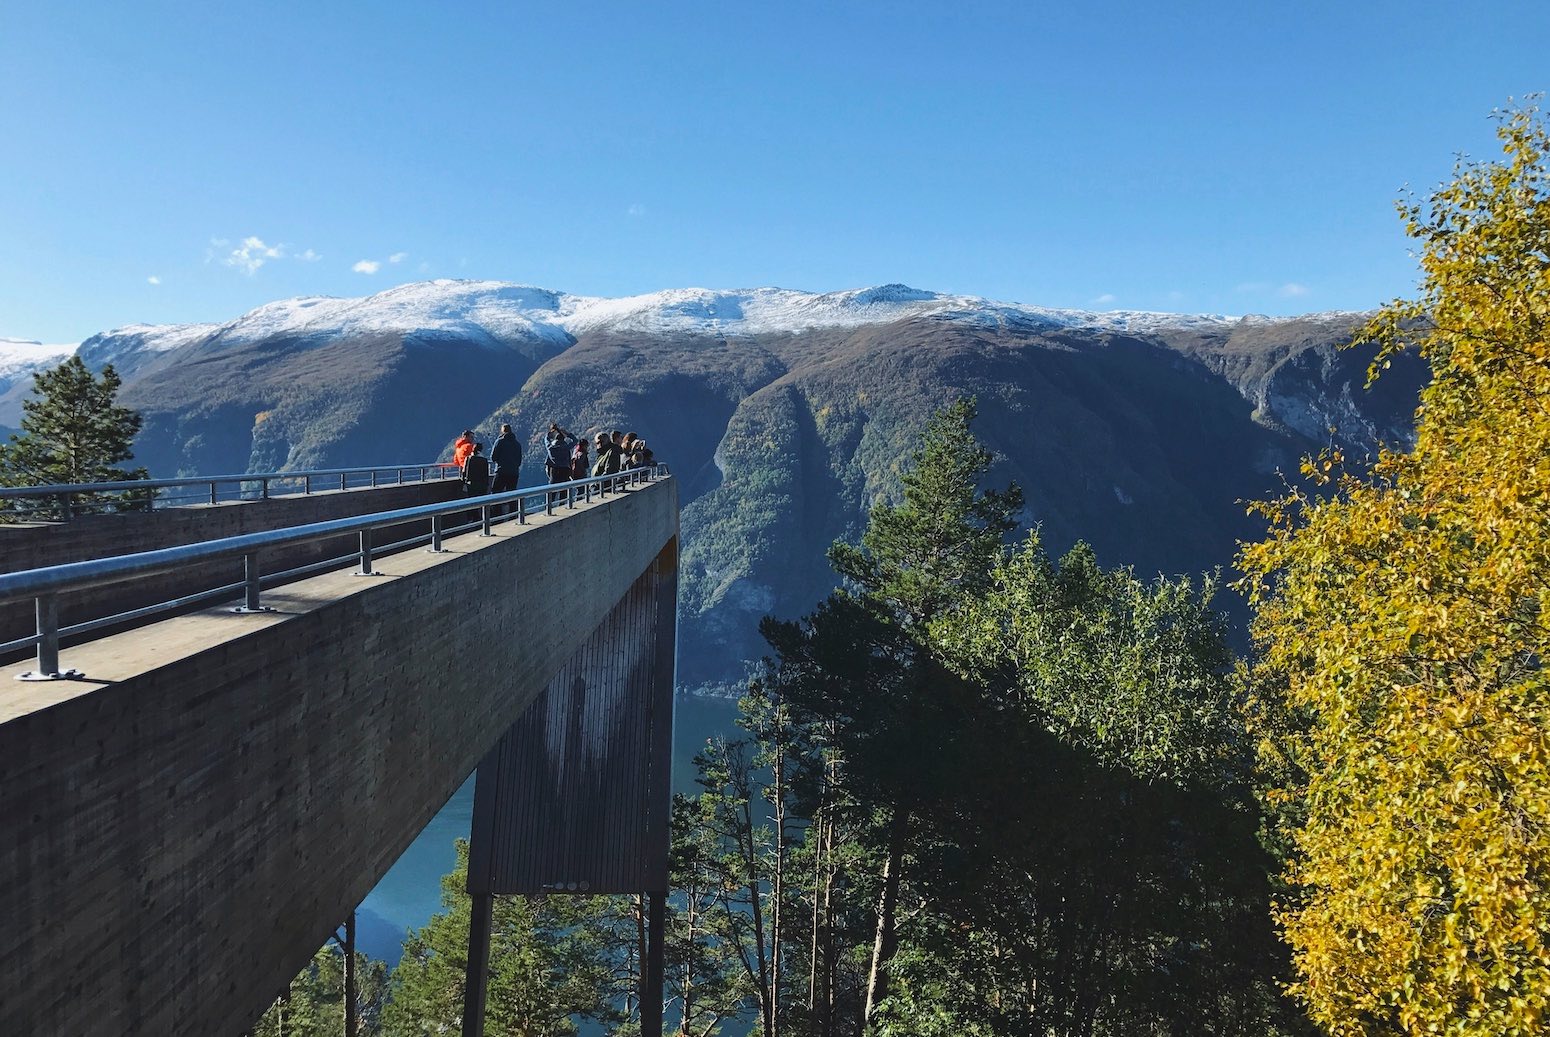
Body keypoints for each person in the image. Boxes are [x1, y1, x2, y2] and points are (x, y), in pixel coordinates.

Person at [490, 424, 522, 494]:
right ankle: (513, 505)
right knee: (511, 495)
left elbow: (493, 458)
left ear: (502, 431)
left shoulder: (499, 442)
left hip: (501, 471)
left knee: (496, 493)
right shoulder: (517, 444)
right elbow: (519, 461)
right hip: (514, 473)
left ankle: (497, 505)